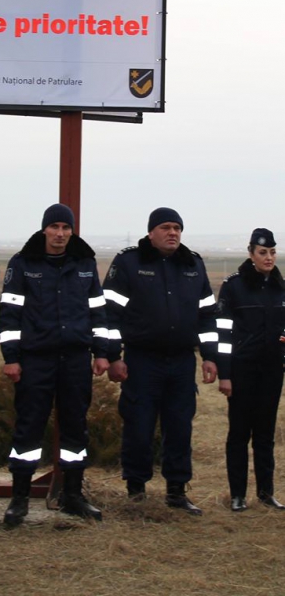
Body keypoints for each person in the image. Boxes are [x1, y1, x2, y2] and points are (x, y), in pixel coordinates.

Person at [0, 203, 110, 525]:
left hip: (75, 359)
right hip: (35, 360)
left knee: (76, 428)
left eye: (66, 228)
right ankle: (19, 499)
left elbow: (98, 312)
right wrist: (12, 359)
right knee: (28, 428)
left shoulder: (85, 264)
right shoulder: (23, 264)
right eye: (55, 227)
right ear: (44, 229)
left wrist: (101, 352)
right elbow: (9, 315)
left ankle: (73, 496)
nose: (60, 234)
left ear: (72, 231)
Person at [103, 207, 218, 514]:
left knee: (180, 428)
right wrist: (113, 356)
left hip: (181, 362)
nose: (173, 233)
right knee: (139, 428)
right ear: (151, 232)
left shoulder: (193, 264)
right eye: (166, 227)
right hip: (141, 361)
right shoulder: (129, 262)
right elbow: (108, 315)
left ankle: (177, 491)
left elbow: (207, 316)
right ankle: (136, 492)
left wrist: (210, 357)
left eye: (177, 228)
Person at [216, 228, 285, 512]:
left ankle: (266, 493)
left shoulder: (281, 287)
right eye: (262, 253)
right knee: (239, 434)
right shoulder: (234, 287)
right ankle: (238, 495)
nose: (268, 258)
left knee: (265, 434)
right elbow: (222, 333)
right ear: (251, 254)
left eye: (272, 252)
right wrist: (225, 374)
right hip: (242, 370)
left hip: (272, 371)